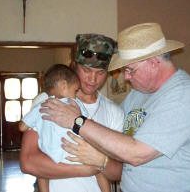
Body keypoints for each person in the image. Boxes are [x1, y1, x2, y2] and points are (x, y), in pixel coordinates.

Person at [41, 23, 190, 192]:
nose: (127, 77)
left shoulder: (185, 95)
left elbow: (137, 153)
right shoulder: (138, 94)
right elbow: (116, 142)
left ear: (153, 63)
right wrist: (102, 159)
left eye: (130, 69)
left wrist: (77, 121)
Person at [19, 34, 124, 192]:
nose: (93, 79)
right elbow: (28, 162)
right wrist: (88, 169)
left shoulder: (114, 112)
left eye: (100, 73)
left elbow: (118, 173)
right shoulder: (47, 100)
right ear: (74, 65)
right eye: (86, 70)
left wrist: (101, 161)